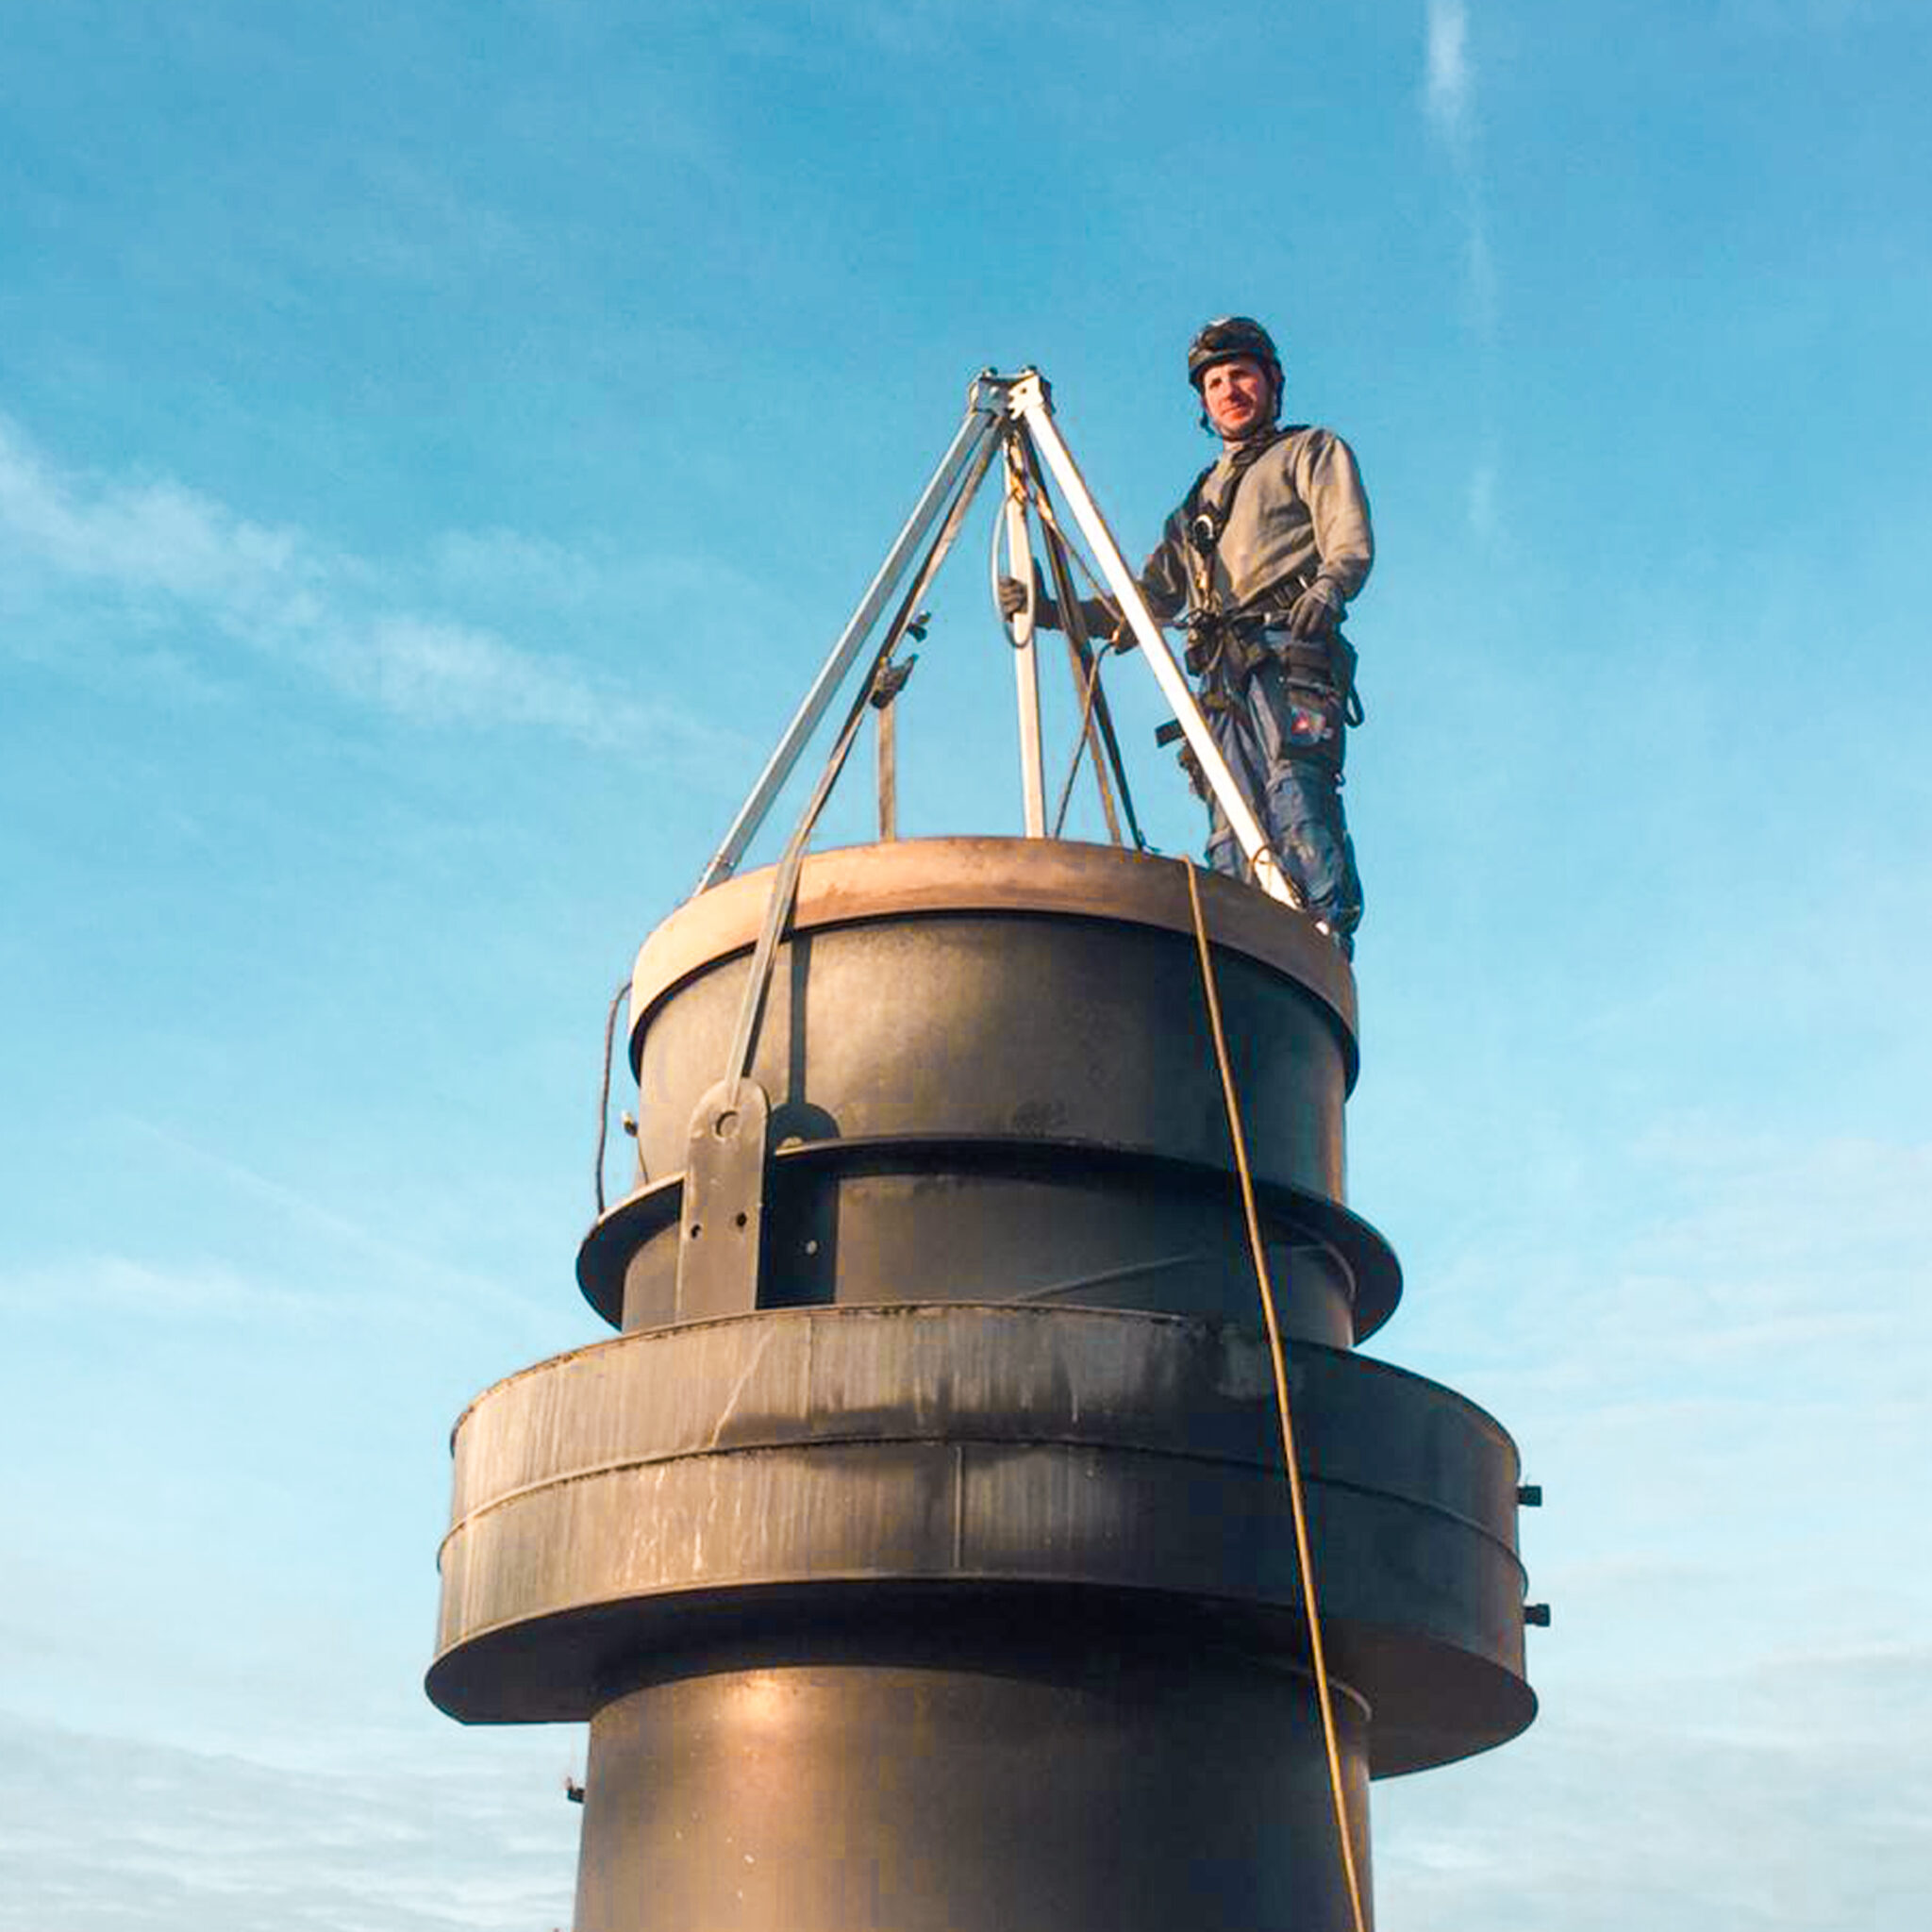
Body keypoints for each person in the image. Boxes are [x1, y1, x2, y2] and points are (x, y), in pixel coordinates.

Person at [1001, 316, 1372, 953]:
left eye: (1241, 376)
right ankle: (1247, 956)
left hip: (1286, 655)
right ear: (1203, 402)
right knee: (1232, 827)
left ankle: (1321, 940)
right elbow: (1144, 607)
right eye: (1216, 382)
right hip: (1220, 681)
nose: (1230, 391)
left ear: (1271, 382)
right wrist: (1056, 610)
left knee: (1295, 795)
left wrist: (1329, 588)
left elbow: (1348, 540)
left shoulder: (1309, 451)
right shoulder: (1196, 506)